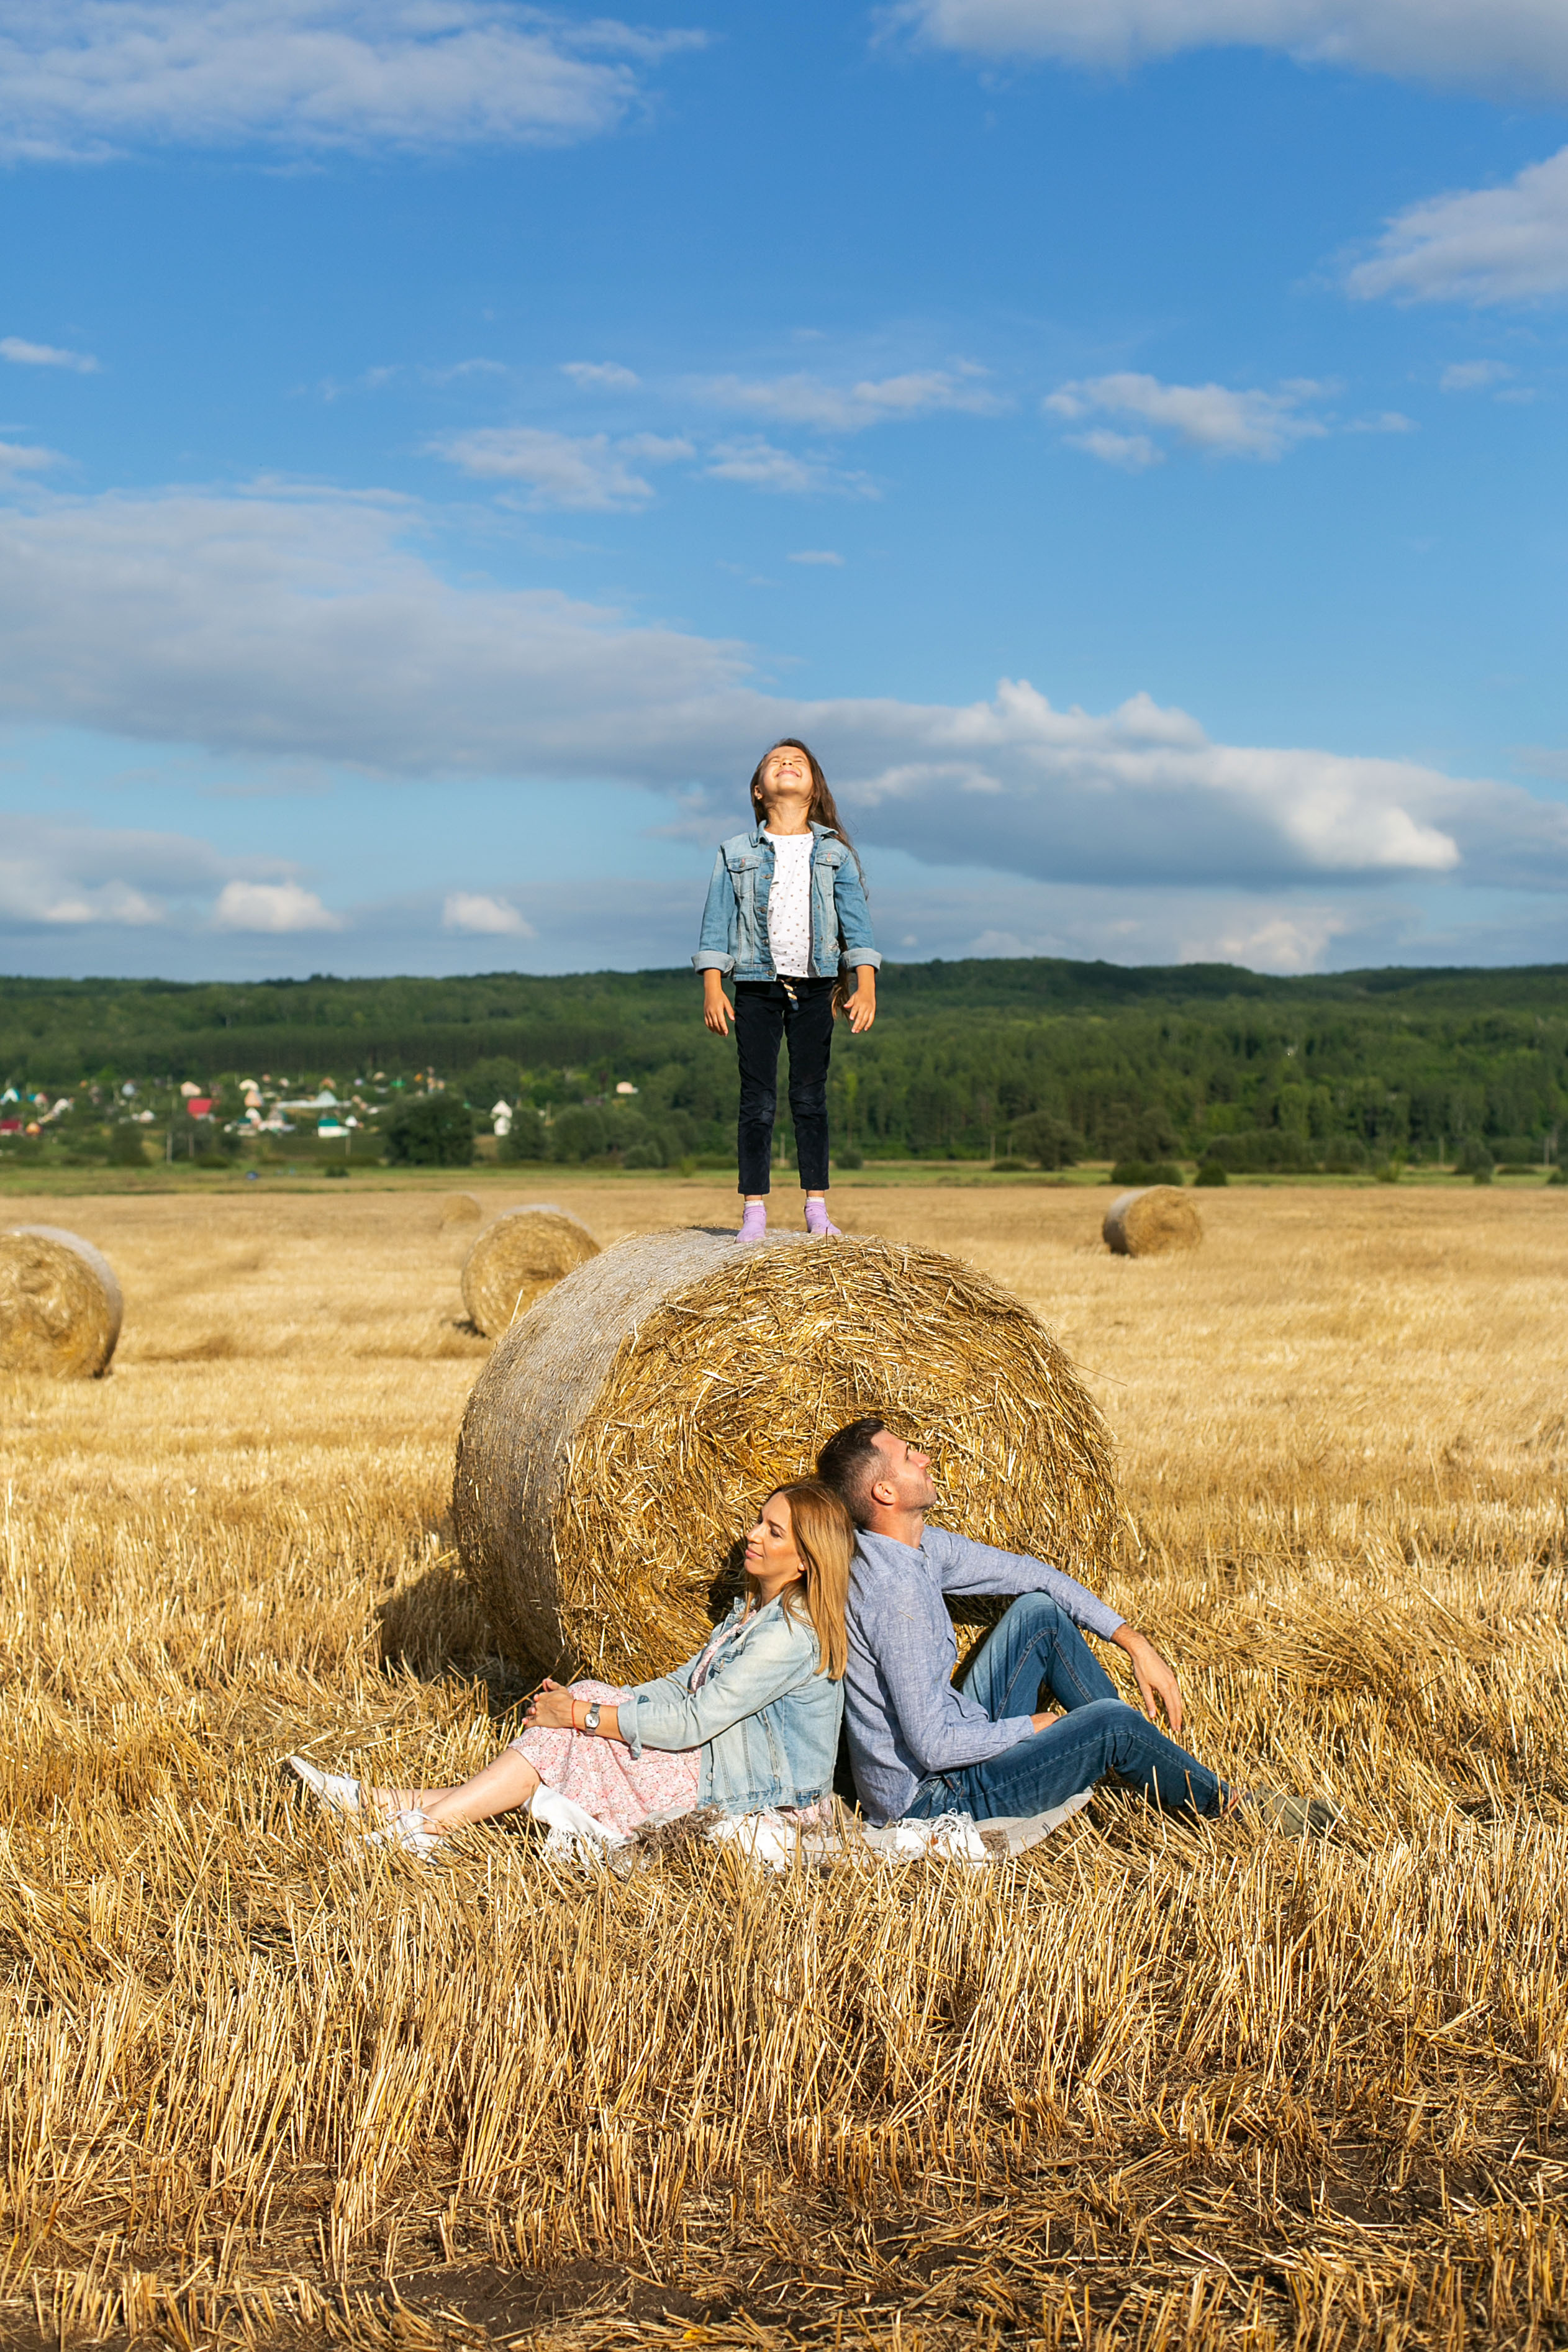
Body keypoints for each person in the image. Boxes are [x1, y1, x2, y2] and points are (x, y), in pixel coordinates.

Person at [816, 1417, 1331, 1837]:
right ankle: (1227, 1806)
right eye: (908, 1456)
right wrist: (1030, 1727)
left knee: (1037, 1613)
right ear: (884, 1490)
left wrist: (1130, 1638)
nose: (924, 1457)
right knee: (1111, 1721)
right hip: (934, 1799)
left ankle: (1142, 1762)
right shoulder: (893, 1593)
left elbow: (1032, 1574)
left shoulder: (919, 1549)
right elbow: (930, 1746)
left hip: (959, 1744)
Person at [289, 1481, 853, 1858]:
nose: (752, 1534)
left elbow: (691, 1722)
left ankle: (417, 1822)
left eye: (773, 1532)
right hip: (719, 1763)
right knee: (582, 1709)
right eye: (760, 1521)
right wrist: (603, 1702)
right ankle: (393, 1804)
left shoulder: (789, 1635)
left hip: (755, 1791)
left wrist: (584, 1716)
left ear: (807, 1558)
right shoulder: (753, 1610)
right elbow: (682, 1686)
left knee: (573, 1732)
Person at [692, 738, 879, 1243]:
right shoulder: (734, 852)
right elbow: (716, 926)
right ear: (759, 790)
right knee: (757, 1100)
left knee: (809, 1097)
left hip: (817, 988)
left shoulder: (834, 853)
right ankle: (754, 1209)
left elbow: (857, 928)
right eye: (776, 761)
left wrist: (865, 986)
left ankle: (816, 1206)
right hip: (754, 986)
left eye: (797, 761)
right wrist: (714, 987)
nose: (787, 763)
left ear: (813, 787)